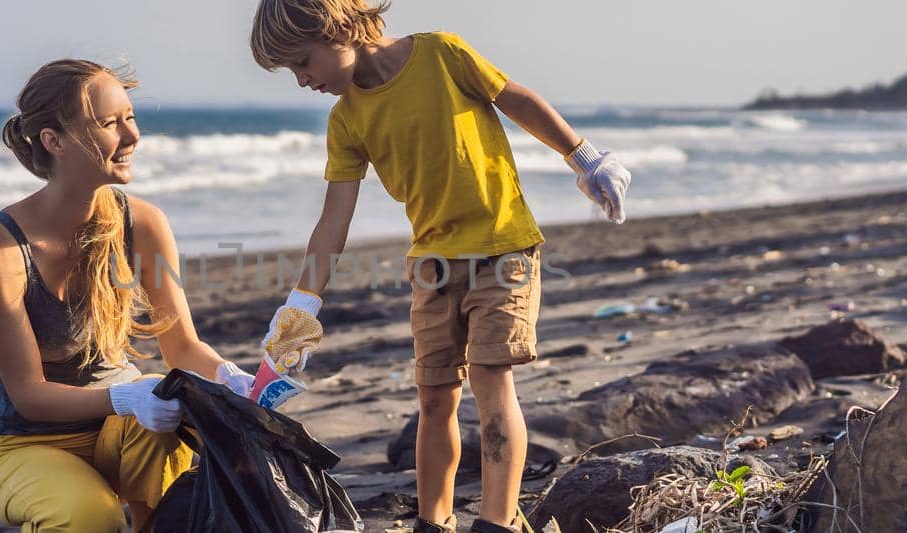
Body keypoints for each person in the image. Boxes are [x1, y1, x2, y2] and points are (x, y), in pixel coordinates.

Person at [245, 1, 634, 531]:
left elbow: (515, 99)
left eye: (303, 63)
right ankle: (435, 520)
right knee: (433, 399)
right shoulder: (346, 120)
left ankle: (498, 522)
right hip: (431, 267)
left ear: (337, 29)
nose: (301, 80)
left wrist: (584, 157)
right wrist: (301, 305)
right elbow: (334, 218)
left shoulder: (442, 54)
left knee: (491, 383)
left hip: (503, 251)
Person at [0, 59, 256, 533]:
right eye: (108, 123)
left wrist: (232, 377)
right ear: (53, 141)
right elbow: (30, 396)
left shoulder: (143, 223)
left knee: (170, 429)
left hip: (129, 429)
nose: (132, 135)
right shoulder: (0, 248)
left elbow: (181, 347)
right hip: (30, 448)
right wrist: (125, 397)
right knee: (89, 516)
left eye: (131, 117)